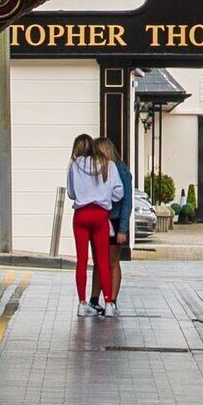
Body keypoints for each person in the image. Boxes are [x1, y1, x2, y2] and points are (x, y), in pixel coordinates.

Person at [65, 136, 128, 318]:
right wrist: (104, 194)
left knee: (82, 260)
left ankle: (82, 303)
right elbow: (118, 193)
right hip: (101, 215)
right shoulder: (108, 165)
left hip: (81, 215)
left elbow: (71, 193)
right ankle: (109, 303)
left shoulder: (74, 165)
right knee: (103, 260)